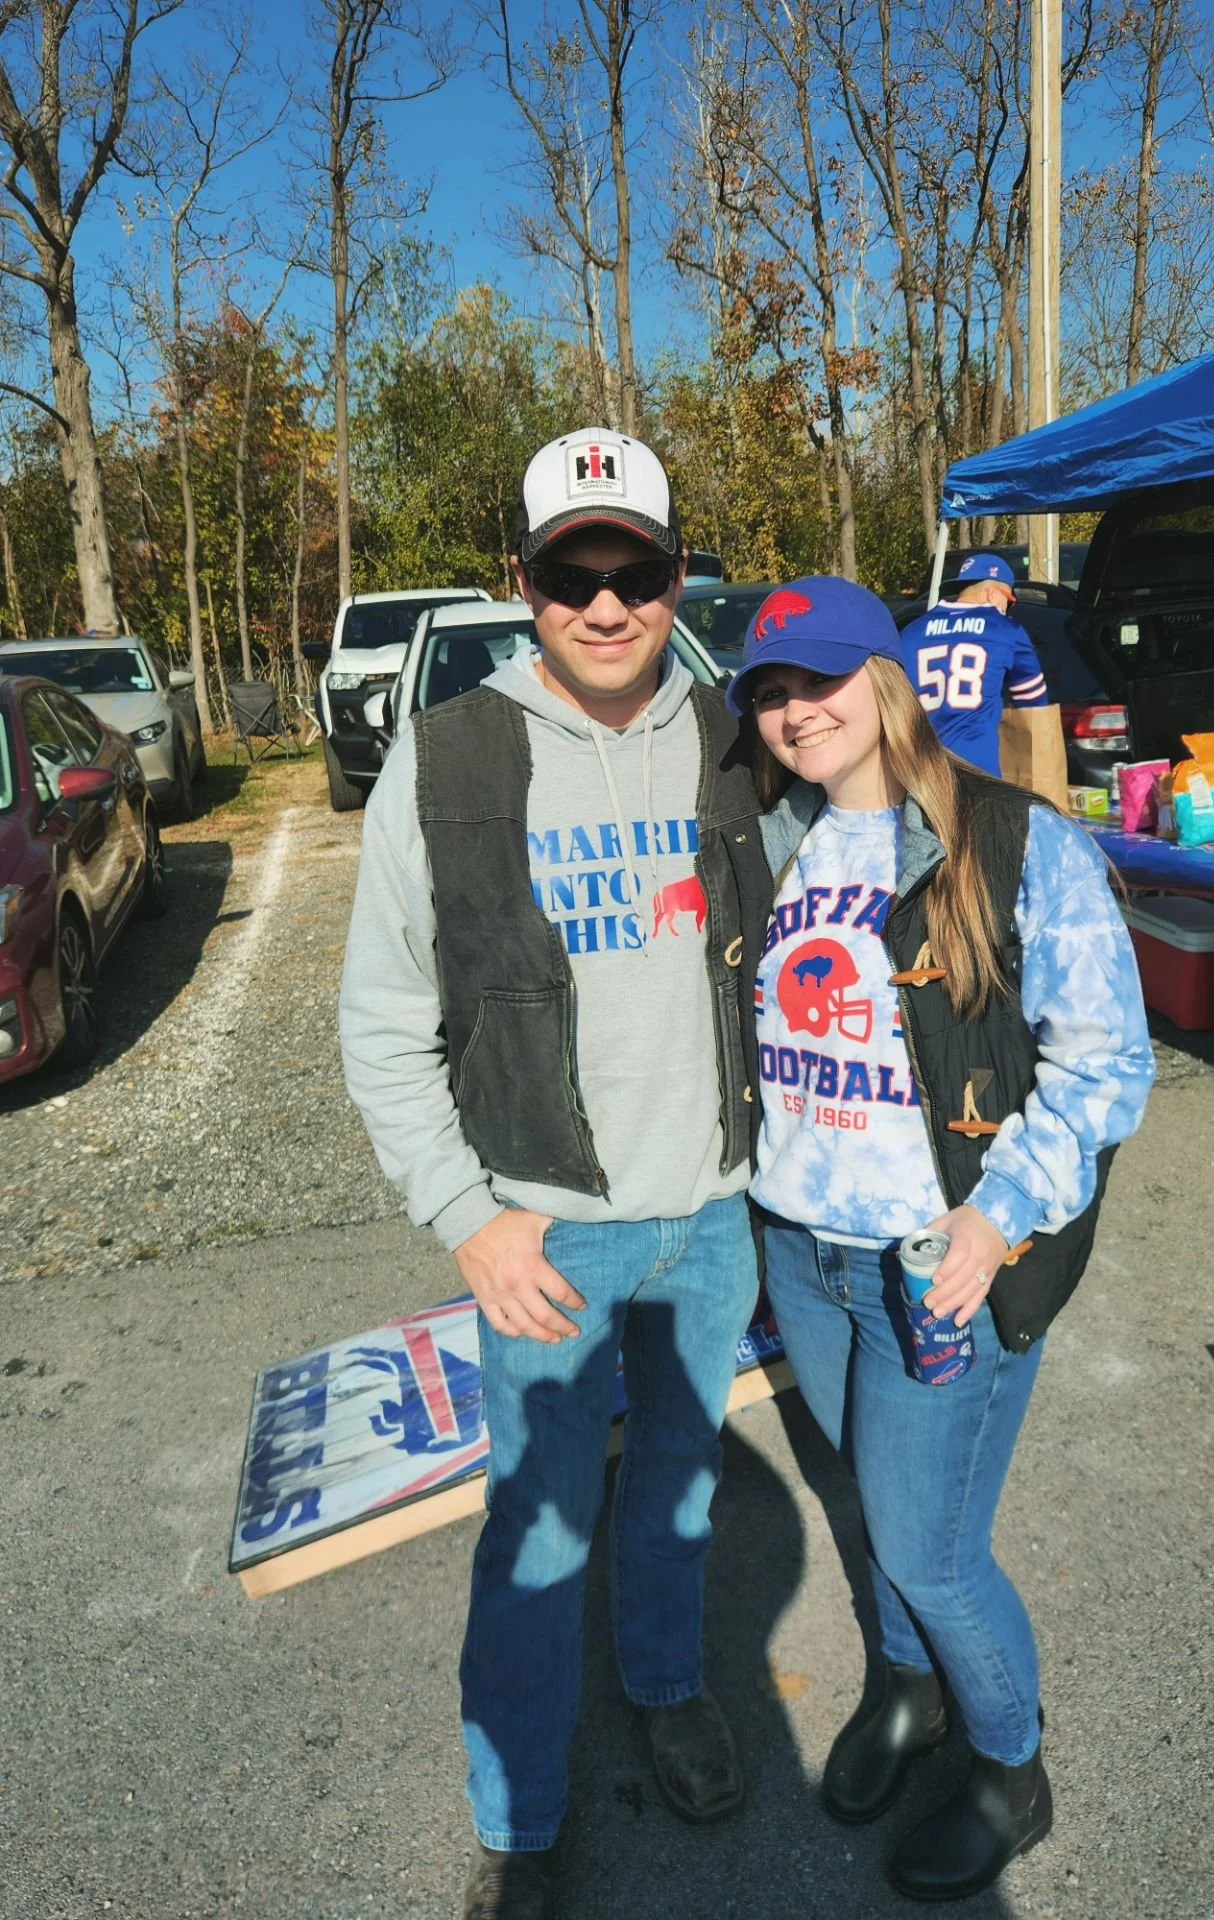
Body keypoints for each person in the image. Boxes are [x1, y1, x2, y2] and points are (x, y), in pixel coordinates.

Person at [339, 428, 771, 1920]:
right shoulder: (449, 756)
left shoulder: (735, 734)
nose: (605, 605)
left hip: (712, 1217)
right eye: (571, 573)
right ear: (522, 583)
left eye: (634, 569)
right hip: (549, 1239)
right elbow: (383, 1022)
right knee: (533, 1542)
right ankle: (519, 1825)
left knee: (676, 1494)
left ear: (672, 575)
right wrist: (467, 1221)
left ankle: (665, 1689)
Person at [724, 576, 1156, 1903]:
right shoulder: (767, 840)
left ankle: (1008, 1767)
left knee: (930, 1548)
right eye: (773, 692)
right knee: (860, 1496)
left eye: (822, 678)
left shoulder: (1016, 843)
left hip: (938, 1265)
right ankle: (907, 1694)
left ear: (888, 676)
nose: (798, 711)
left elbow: (1105, 1068)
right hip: (801, 1251)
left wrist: (996, 1213)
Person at [897, 552, 1067, 806]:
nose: (1009, 608)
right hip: (979, 774)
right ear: (991, 593)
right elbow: (1033, 702)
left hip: (918, 772)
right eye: (1009, 600)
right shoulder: (1004, 629)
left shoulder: (911, 632)